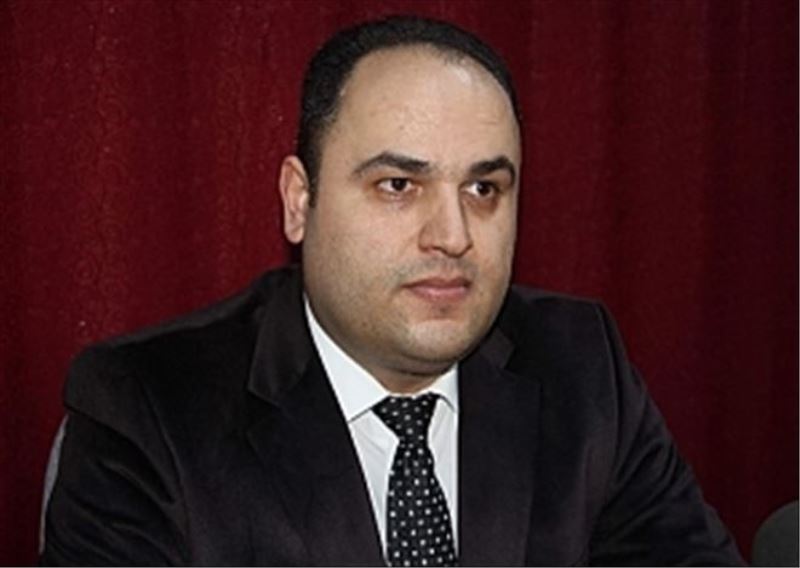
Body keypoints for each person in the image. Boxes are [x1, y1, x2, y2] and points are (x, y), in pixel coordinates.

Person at [40, 15, 744, 566]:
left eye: (484, 189)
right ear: (300, 200)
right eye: (399, 185)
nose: (453, 235)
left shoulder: (582, 369)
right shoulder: (147, 409)